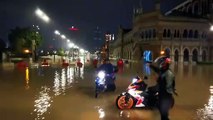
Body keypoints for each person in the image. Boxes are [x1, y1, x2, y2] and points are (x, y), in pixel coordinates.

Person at [148, 56, 177, 120]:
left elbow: (168, 86)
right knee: (162, 113)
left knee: (164, 115)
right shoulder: (163, 71)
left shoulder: (168, 74)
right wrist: (151, 66)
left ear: (164, 64)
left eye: (161, 64)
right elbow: (157, 70)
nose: (160, 65)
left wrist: (158, 81)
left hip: (166, 97)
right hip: (162, 96)